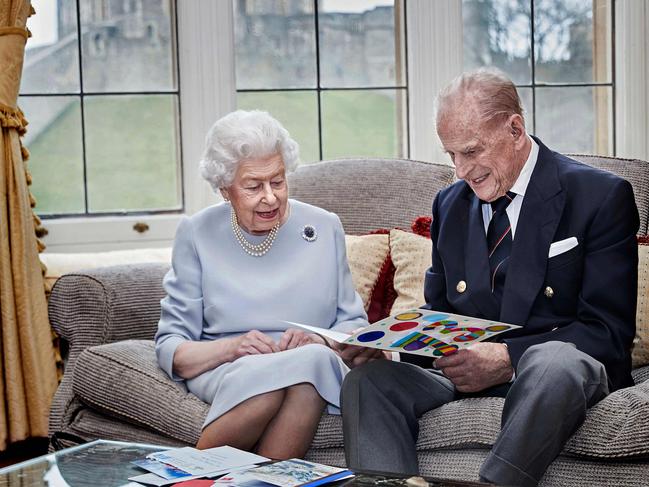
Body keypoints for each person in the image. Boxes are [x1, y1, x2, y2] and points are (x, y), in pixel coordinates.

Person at [341, 69, 639, 486]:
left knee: (553, 361)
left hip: (551, 377)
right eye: (451, 156)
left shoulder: (599, 197)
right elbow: (441, 314)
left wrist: (507, 360)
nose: (461, 170)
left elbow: (607, 333)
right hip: (465, 374)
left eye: (471, 151)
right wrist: (389, 348)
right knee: (369, 381)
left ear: (515, 129)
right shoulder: (450, 204)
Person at [155, 110, 380, 459]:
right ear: (224, 189)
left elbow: (353, 325)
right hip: (227, 365)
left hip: (311, 361)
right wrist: (233, 348)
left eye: (277, 181)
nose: (270, 197)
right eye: (253, 186)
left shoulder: (324, 227)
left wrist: (318, 338)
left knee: (309, 369)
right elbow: (173, 348)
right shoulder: (196, 233)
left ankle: (184, 476)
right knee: (278, 384)